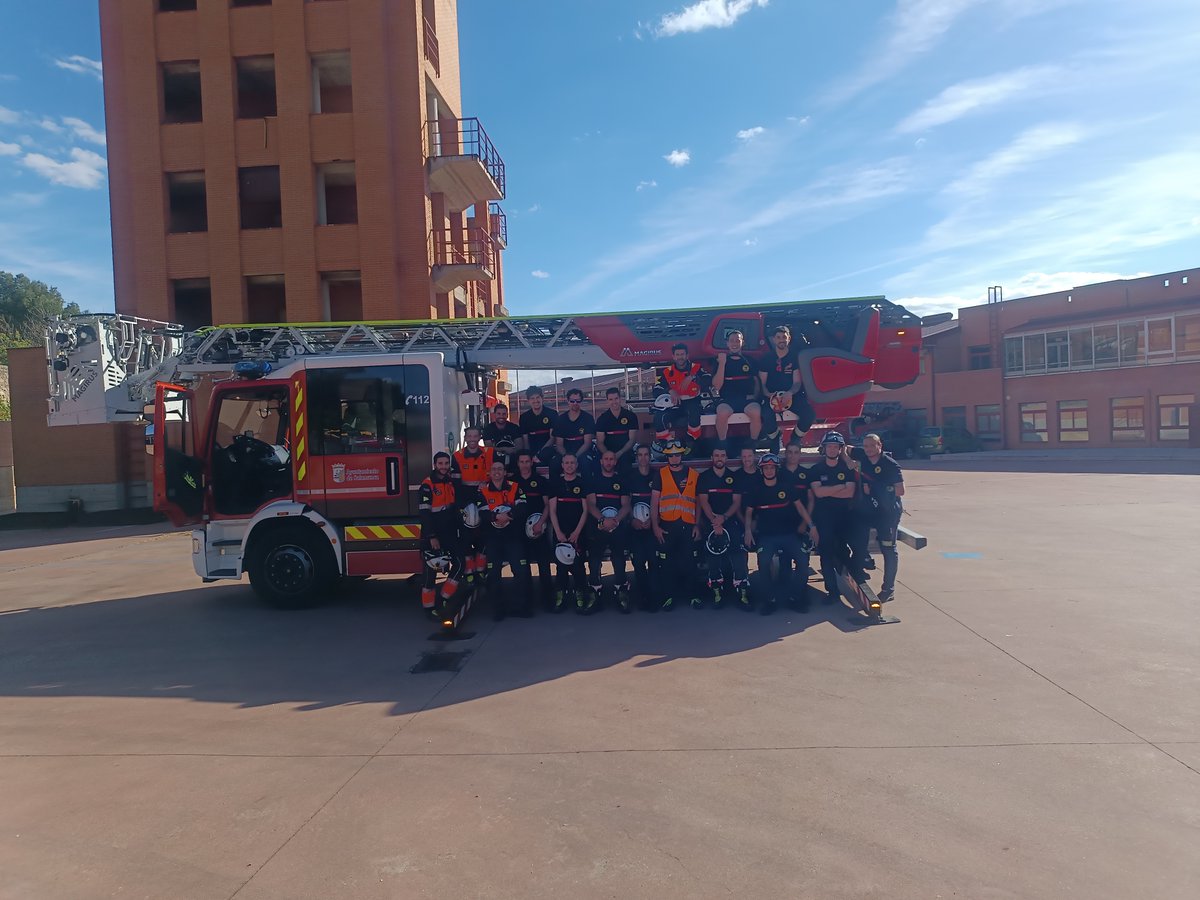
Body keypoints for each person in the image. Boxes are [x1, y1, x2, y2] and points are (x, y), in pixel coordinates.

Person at [743, 453, 817, 614]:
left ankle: (795, 598)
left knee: (803, 564)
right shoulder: (756, 490)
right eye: (765, 468)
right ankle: (769, 601)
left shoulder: (786, 487)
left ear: (776, 469)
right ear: (761, 470)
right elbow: (748, 513)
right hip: (766, 537)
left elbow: (800, 508)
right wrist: (748, 531)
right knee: (763, 565)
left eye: (772, 467)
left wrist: (812, 526)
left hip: (789, 535)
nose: (769, 471)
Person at [808, 431, 864, 604]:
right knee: (826, 554)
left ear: (840, 449)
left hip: (845, 517)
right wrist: (840, 487)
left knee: (857, 545)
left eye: (835, 446)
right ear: (823, 448)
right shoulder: (816, 469)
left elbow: (850, 492)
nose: (832, 449)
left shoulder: (846, 468)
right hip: (824, 518)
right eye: (829, 446)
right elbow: (818, 492)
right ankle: (832, 592)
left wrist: (829, 491)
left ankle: (855, 573)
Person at [848, 432, 905, 602]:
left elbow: (900, 490)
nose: (868, 449)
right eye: (865, 446)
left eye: (872, 445)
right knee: (858, 538)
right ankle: (859, 567)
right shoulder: (863, 455)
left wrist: (875, 489)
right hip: (869, 510)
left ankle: (888, 589)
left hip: (887, 513)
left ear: (880, 446)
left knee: (888, 549)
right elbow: (847, 449)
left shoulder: (890, 465)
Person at [475, 461, 533, 620]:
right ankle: (498, 610)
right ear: (490, 472)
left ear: (505, 472)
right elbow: (482, 512)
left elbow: (523, 506)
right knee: (493, 575)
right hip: (493, 539)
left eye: (500, 469)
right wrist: (496, 517)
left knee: (521, 572)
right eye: (494, 469)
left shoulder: (515, 487)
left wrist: (508, 516)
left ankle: (521, 608)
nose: (497, 472)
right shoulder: (483, 490)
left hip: (514, 537)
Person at [651, 439, 700, 611]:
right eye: (671, 456)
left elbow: (698, 502)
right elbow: (654, 502)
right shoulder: (660, 474)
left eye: (677, 455)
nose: (674, 458)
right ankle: (668, 597)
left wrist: (697, 525)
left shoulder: (693, 474)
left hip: (687, 526)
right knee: (666, 565)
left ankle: (694, 596)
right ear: (667, 457)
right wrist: (655, 527)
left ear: (682, 455)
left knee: (690, 563)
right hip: (667, 527)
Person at [697, 445, 748, 609]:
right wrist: (714, 521)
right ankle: (717, 594)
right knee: (713, 559)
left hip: (730, 522)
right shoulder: (704, 477)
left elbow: (736, 503)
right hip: (711, 524)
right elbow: (703, 501)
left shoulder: (734, 477)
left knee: (739, 557)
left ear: (726, 458)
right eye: (716, 455)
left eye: (722, 455)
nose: (719, 458)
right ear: (712, 458)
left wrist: (723, 518)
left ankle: (742, 593)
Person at [585, 449, 632, 614]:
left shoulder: (622, 480)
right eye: (606, 459)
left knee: (619, 560)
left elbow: (626, 505)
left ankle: (621, 592)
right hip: (598, 527)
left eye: (612, 459)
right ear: (601, 461)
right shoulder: (593, 481)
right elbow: (591, 504)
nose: (609, 462)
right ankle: (594, 593)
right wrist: (602, 521)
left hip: (617, 526)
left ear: (615, 462)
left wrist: (615, 521)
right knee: (594, 560)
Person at [418, 452, 464, 615]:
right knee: (430, 573)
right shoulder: (427, 485)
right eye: (440, 464)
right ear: (434, 465)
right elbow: (425, 514)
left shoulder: (451, 482)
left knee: (460, 564)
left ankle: (444, 597)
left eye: (446, 463)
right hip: (433, 535)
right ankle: (429, 608)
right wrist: (431, 537)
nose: (443, 467)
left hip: (450, 533)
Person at [758, 325, 816, 448]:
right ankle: (775, 440)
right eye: (778, 337)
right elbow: (761, 383)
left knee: (809, 415)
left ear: (789, 338)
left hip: (792, 395)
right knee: (766, 416)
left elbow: (797, 382)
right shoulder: (766, 358)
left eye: (784, 337)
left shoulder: (795, 357)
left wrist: (789, 393)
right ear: (774, 339)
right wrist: (769, 395)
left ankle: (795, 440)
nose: (781, 340)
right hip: (771, 397)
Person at [513, 449, 555, 610]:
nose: (524, 465)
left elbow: (547, 505)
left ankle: (548, 601)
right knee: (523, 569)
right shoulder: (512, 482)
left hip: (538, 529)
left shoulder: (540, 481)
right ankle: (527, 603)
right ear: (518, 464)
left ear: (532, 462)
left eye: (527, 461)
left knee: (544, 566)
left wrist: (540, 523)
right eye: (521, 462)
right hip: (518, 531)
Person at [451, 427, 494, 581]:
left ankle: (481, 568)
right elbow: (456, 484)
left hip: (485, 497)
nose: (472, 439)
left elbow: (498, 472)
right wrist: (460, 505)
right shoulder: (457, 456)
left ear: (479, 437)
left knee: (485, 533)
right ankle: (469, 570)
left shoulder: (489, 453)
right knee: (465, 536)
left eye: (475, 436)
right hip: (465, 498)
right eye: (469, 436)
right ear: (465, 437)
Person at [547, 451, 588, 611]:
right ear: (562, 465)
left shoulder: (582, 483)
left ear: (576, 465)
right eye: (567, 463)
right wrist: (558, 532)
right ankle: (560, 595)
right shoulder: (555, 484)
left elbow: (585, 510)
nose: (569, 465)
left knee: (578, 565)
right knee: (561, 565)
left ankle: (580, 594)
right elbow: (552, 510)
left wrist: (577, 532)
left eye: (572, 463)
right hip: (561, 531)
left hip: (578, 531)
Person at [712, 330, 764, 447]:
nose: (734, 343)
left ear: (742, 343)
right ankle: (722, 444)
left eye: (737, 340)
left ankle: (752, 444)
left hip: (747, 399)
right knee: (722, 412)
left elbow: (757, 381)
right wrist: (722, 364)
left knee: (756, 411)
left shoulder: (750, 361)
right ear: (727, 343)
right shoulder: (720, 360)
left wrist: (755, 397)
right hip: (727, 399)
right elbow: (716, 385)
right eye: (731, 341)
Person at [654, 343, 705, 451]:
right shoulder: (667, 372)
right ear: (673, 356)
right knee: (659, 417)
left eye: (682, 354)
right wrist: (670, 390)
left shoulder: (696, 368)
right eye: (677, 354)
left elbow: (708, 380)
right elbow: (656, 389)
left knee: (694, 414)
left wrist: (692, 377)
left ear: (687, 355)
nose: (680, 357)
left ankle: (690, 443)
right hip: (675, 404)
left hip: (693, 402)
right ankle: (667, 444)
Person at [625, 443, 658, 611]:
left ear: (650, 457)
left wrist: (653, 520)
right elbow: (626, 502)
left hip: (653, 526)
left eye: (646, 454)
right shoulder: (630, 477)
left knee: (653, 561)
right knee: (638, 562)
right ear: (636, 457)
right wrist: (632, 520)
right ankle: (643, 594)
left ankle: (653, 597)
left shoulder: (656, 476)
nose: (643, 458)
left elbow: (659, 501)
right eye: (640, 455)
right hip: (636, 527)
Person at [551, 387, 597, 478]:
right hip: (565, 452)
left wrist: (574, 457)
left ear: (581, 401)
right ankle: (555, 491)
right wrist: (566, 457)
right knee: (554, 463)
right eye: (572, 401)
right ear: (568, 401)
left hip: (583, 452)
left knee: (586, 463)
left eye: (578, 401)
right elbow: (559, 444)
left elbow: (587, 443)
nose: (575, 403)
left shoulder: (588, 418)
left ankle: (587, 491)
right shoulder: (561, 419)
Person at [595, 387, 639, 471]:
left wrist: (620, 453)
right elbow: (599, 442)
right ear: (607, 401)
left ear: (620, 399)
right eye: (611, 399)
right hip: (606, 453)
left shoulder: (631, 416)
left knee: (625, 462)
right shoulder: (602, 419)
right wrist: (608, 456)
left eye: (616, 398)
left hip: (625, 452)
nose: (614, 402)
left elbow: (632, 440)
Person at [518, 385, 558, 467]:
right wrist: (529, 456)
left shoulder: (552, 414)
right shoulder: (524, 417)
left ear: (542, 398)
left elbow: (552, 438)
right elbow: (525, 441)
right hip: (532, 451)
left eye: (537, 397)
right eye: (532, 398)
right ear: (528, 400)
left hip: (547, 449)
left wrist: (540, 454)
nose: (535, 400)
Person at [483, 402, 523, 473]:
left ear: (507, 415)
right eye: (499, 414)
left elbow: (519, 447)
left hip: (513, 462)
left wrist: (500, 450)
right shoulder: (488, 429)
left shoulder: (514, 428)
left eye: (504, 414)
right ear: (494, 414)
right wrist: (504, 449)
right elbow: (488, 448)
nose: (501, 416)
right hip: (494, 463)